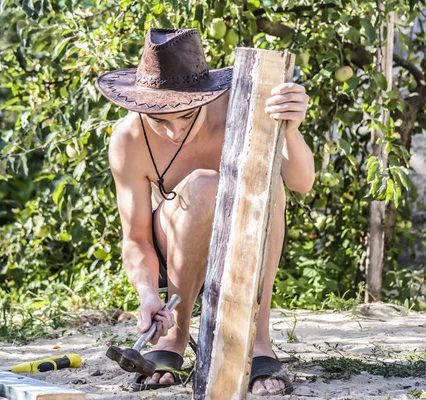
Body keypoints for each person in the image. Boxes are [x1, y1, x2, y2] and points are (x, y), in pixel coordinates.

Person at [96, 27, 314, 396]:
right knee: (201, 185)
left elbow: (301, 183)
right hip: (174, 241)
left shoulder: (241, 105)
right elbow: (135, 238)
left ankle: (258, 341)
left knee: (267, 181)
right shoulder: (128, 138)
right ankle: (173, 338)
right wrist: (148, 293)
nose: (174, 130)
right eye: (160, 119)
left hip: (248, 233)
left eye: (186, 114)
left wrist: (291, 130)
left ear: (204, 95)